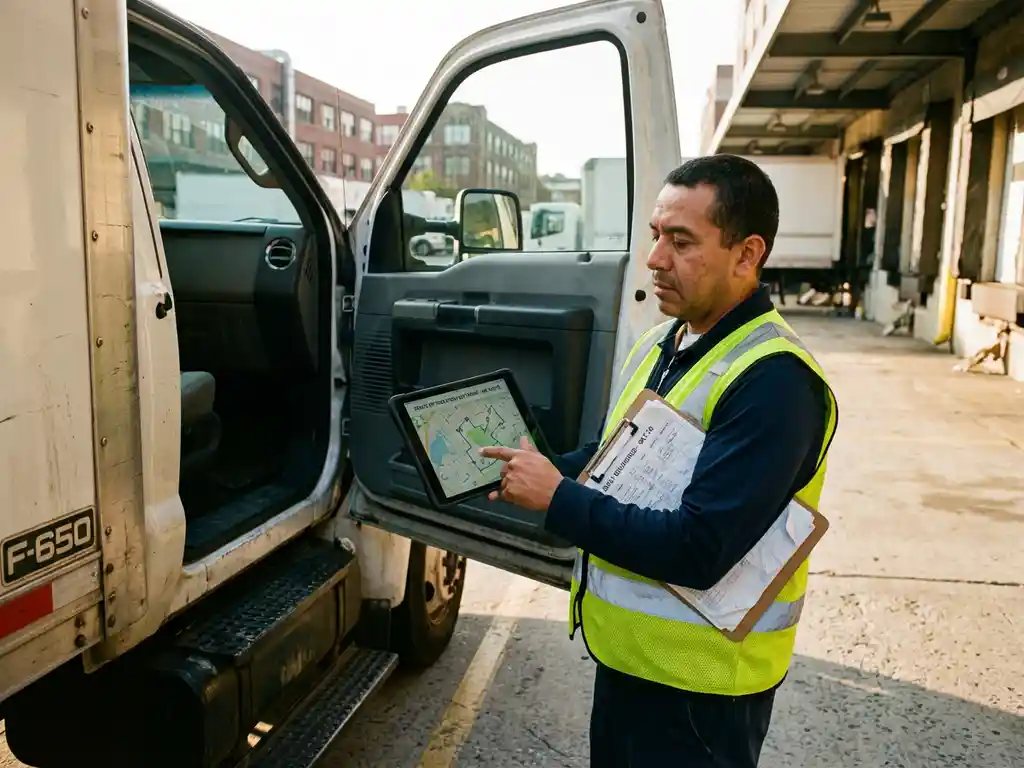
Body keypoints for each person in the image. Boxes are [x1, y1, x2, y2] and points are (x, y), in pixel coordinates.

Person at [479, 155, 838, 767]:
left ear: (747, 254)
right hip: (631, 665)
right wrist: (544, 467)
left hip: (700, 695)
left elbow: (700, 548)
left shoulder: (775, 381)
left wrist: (557, 498)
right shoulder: (663, 342)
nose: (654, 259)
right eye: (655, 236)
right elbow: (611, 462)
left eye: (681, 241)